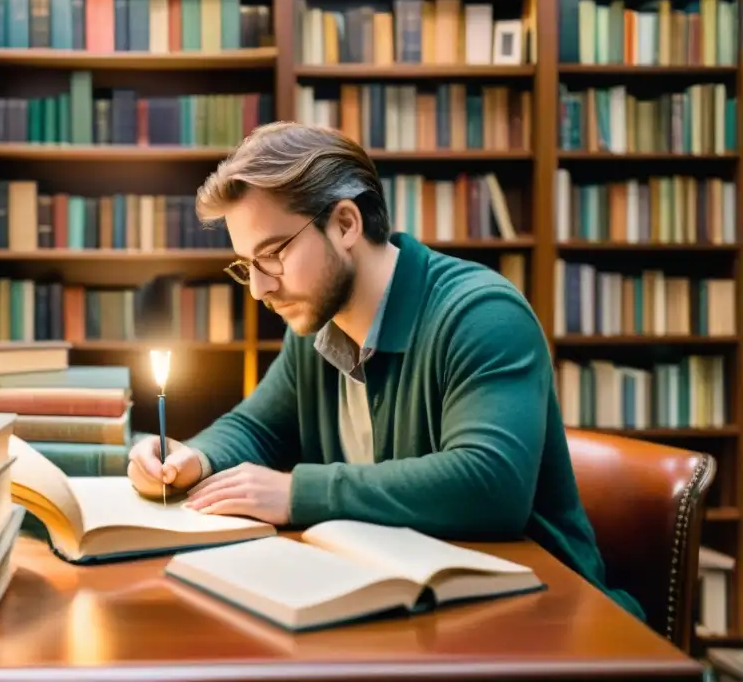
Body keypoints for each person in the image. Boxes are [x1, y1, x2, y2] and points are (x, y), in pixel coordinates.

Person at [127, 121, 645, 621]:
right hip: (415, 611)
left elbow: (490, 484)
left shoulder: (481, 314)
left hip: (549, 616)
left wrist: (294, 493)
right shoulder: (314, 328)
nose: (260, 288)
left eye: (274, 255)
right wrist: (194, 458)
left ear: (346, 223)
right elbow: (257, 427)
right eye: (246, 265)